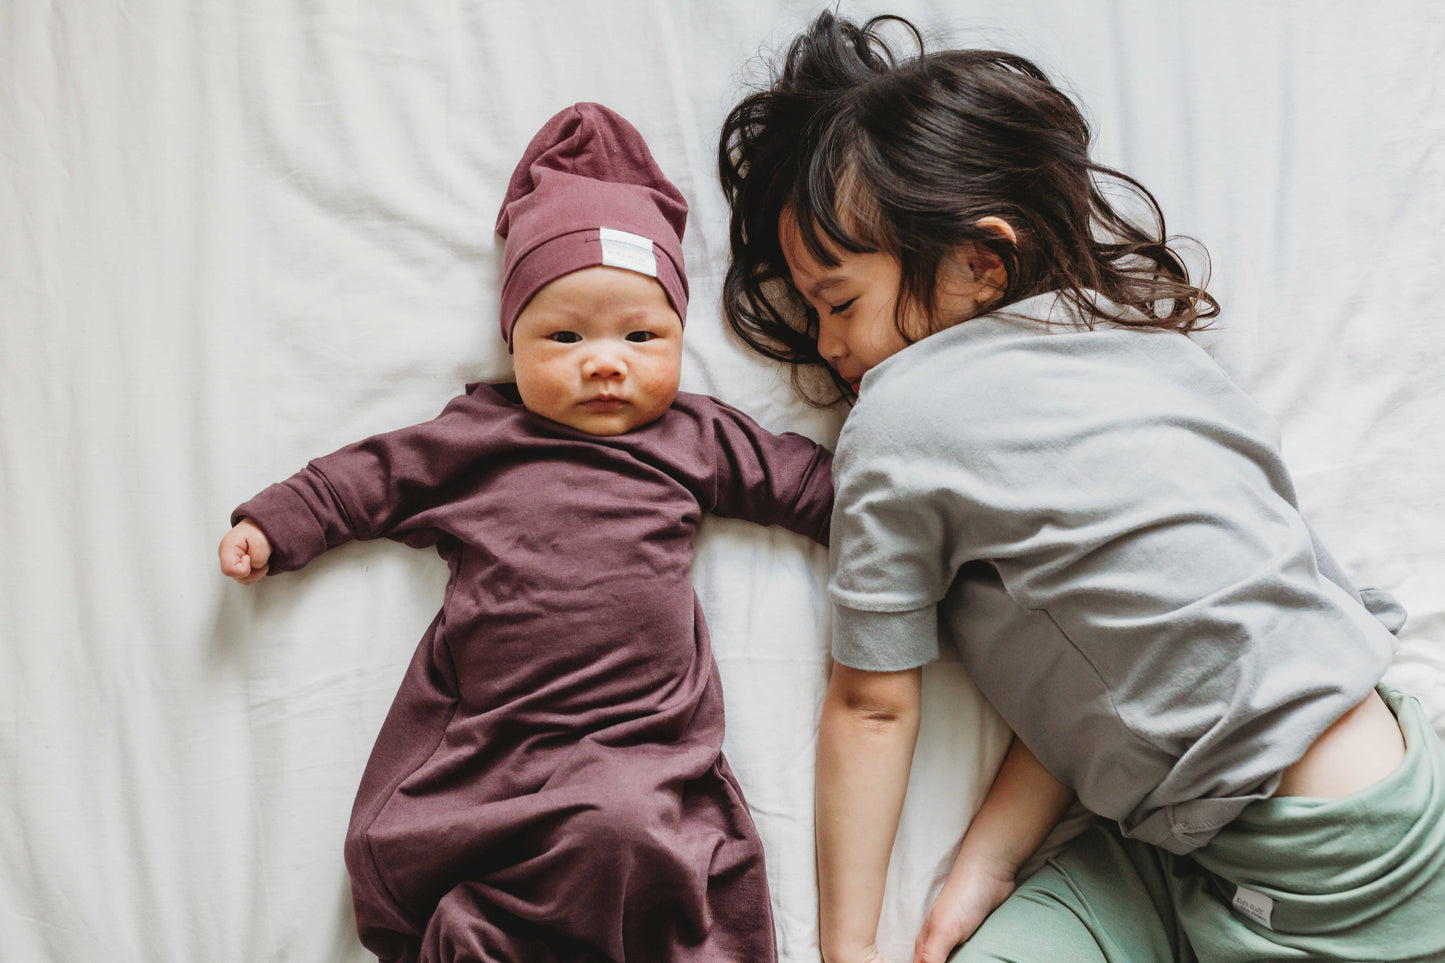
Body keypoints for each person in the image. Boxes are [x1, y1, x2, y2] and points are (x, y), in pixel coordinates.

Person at [717, 12, 1445, 963]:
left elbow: (874, 705)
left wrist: (845, 951)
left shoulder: (901, 413)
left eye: (838, 301)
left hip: (1316, 867)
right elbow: (1105, 674)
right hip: (1316, 802)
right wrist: (986, 861)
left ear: (979, 264)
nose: (824, 344)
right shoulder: (1154, 353)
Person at [218, 103, 832, 963]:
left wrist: (904, 526)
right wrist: (274, 525)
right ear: (513, 339)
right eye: (565, 335)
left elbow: (804, 483)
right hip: (501, 740)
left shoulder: (693, 437)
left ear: (678, 339)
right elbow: (366, 477)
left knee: (626, 829)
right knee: (463, 858)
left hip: (638, 736)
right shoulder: (478, 437)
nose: (604, 359)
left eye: (641, 334)